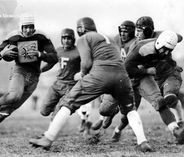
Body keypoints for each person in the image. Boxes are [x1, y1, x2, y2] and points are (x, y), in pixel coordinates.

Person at [29, 17, 152, 152]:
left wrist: (81, 73)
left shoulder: (84, 38)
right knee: (130, 110)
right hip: (122, 75)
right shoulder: (110, 39)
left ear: (81, 29)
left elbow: (86, 63)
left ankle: (48, 138)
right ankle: (142, 141)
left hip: (101, 73)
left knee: (68, 102)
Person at [0, 14, 58, 145]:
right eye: (25, 27)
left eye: (31, 27)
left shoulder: (41, 37)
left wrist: (40, 55)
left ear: (34, 27)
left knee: (7, 111)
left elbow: (54, 58)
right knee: (13, 96)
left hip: (34, 76)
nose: (28, 30)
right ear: (21, 27)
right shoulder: (13, 37)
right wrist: (1, 54)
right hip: (20, 70)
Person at [109, 17, 184, 144]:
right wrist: (146, 71)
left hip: (150, 78)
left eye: (140, 30)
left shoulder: (162, 37)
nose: (137, 34)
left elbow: (178, 37)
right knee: (125, 111)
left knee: (160, 102)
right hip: (134, 78)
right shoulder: (137, 45)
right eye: (137, 30)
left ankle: (176, 129)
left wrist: (171, 36)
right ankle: (117, 129)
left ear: (149, 30)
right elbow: (127, 68)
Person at [40, 28, 92, 135]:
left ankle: (48, 134)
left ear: (73, 39)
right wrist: (39, 70)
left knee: (57, 114)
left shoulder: (79, 51)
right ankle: (59, 109)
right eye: (64, 38)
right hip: (57, 84)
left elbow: (87, 65)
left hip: (71, 86)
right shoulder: (58, 50)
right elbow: (51, 63)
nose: (66, 41)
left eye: (69, 38)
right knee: (44, 111)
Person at [91, 20, 137, 130]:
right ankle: (107, 115)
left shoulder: (136, 43)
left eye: (125, 32)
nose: (122, 34)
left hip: (133, 80)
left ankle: (118, 130)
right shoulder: (116, 39)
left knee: (128, 114)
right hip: (118, 78)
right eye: (121, 31)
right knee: (105, 109)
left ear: (131, 32)